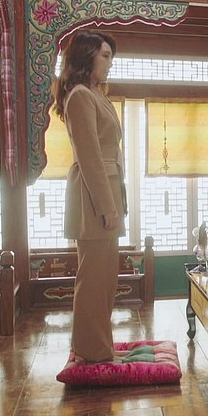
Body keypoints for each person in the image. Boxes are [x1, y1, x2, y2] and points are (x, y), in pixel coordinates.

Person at [54, 29, 127, 363]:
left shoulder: (96, 94)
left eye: (111, 56)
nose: (110, 63)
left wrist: (115, 203)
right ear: (87, 57)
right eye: (105, 56)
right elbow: (90, 157)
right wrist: (107, 207)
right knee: (94, 279)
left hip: (107, 192)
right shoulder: (81, 96)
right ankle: (91, 351)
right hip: (93, 197)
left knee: (106, 278)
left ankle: (97, 345)